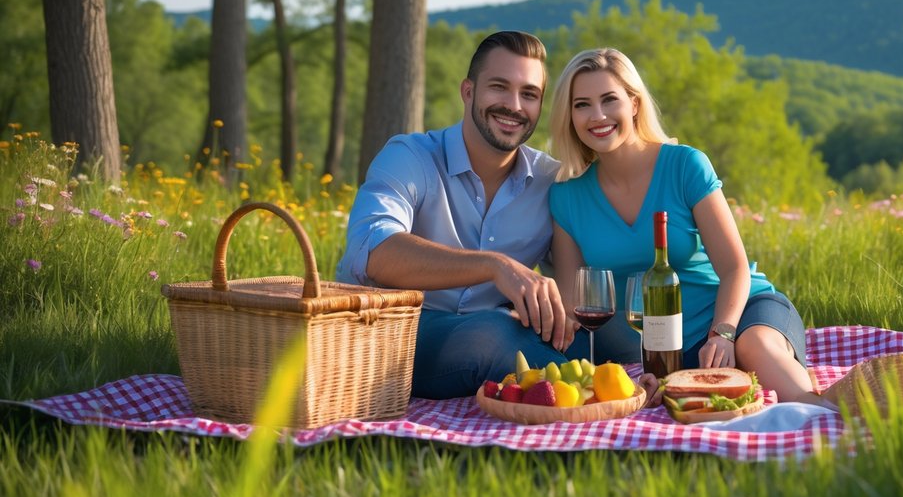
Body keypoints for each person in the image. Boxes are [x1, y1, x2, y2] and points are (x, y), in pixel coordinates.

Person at [547, 47, 830, 406]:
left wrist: (723, 335)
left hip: (738, 315)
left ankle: (848, 426)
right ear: (569, 116)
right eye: (582, 104)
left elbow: (734, 268)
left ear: (633, 103)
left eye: (609, 99)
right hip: (661, 349)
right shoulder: (566, 196)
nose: (598, 115)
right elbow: (576, 304)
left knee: (755, 349)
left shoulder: (685, 166)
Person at [336, 31, 571, 399]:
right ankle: (579, 387)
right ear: (467, 91)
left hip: (494, 334)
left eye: (529, 94)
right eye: (499, 87)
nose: (514, 105)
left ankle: (636, 379)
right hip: (386, 340)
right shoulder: (409, 156)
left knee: (603, 328)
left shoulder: (549, 181)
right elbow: (372, 252)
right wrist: (496, 266)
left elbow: (579, 281)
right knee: (493, 334)